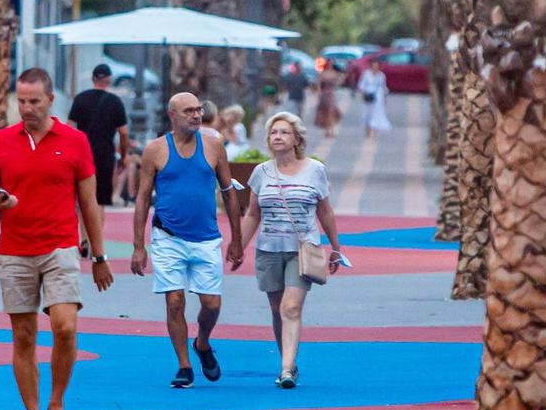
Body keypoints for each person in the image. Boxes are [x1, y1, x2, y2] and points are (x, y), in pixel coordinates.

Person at [0, 68, 114, 410]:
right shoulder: (2, 141)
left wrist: (99, 256)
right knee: (23, 336)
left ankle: (57, 405)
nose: (27, 108)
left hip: (60, 246)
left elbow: (89, 202)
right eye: (20, 101)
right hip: (14, 249)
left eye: (34, 101)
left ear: (51, 100)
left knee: (65, 327)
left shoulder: (75, 141)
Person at [131, 91, 244, 387]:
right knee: (175, 301)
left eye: (198, 110)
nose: (196, 115)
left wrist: (236, 238)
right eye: (189, 111)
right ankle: (184, 366)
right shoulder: (155, 150)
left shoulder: (214, 145)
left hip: (206, 237)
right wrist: (138, 246)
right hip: (167, 236)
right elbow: (143, 199)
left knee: (211, 304)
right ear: (173, 116)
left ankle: (202, 344)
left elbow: (229, 191)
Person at [236, 112, 343, 388]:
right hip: (268, 249)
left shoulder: (314, 170)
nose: (278, 137)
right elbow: (252, 214)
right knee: (277, 309)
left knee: (291, 307)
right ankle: (289, 360)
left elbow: (326, 212)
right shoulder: (261, 172)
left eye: (284, 132)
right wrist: (239, 246)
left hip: (302, 250)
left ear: (297, 139)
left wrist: (335, 247)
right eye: (274, 133)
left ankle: (285, 370)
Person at [68, 64, 131, 208]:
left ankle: (84, 231)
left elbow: (69, 127)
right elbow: (123, 132)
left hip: (82, 154)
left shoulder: (80, 99)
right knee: (100, 200)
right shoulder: (115, 102)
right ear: (109, 79)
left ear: (92, 78)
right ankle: (97, 231)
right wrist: (124, 155)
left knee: (83, 198)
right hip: (105, 154)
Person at [360, 63, 392, 138]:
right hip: (368, 95)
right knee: (367, 113)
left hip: (378, 96)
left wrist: (384, 97)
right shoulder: (366, 74)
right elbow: (362, 85)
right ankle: (367, 131)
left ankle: (375, 133)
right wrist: (363, 94)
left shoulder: (381, 75)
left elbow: (384, 86)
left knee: (377, 114)